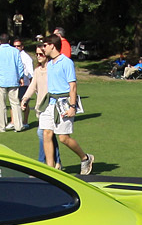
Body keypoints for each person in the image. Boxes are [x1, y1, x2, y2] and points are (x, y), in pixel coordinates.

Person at [28, 41, 96, 174]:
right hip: (50, 103)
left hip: (64, 103)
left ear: (52, 46)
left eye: (45, 46)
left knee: (63, 138)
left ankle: (85, 158)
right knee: (46, 133)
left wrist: (72, 106)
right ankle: (50, 169)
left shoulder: (66, 62)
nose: (43, 50)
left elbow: (73, 86)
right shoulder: (50, 64)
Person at [0, 36, 23, 131]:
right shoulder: (15, 51)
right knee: (15, 104)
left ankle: (1, 127)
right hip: (13, 80)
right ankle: (18, 126)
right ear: (9, 41)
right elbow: (20, 65)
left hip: (1, 81)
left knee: (1, 104)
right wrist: (21, 77)